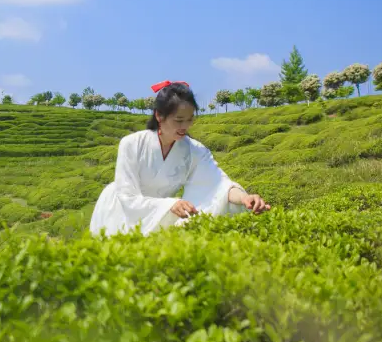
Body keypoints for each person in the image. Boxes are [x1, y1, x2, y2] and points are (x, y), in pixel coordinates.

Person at [89, 80, 270, 237]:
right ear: (159, 116)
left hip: (162, 212)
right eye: (179, 120)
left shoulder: (194, 150)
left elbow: (218, 185)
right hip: (121, 210)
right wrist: (169, 205)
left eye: (190, 119)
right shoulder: (132, 144)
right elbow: (126, 196)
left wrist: (244, 198)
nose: (185, 126)